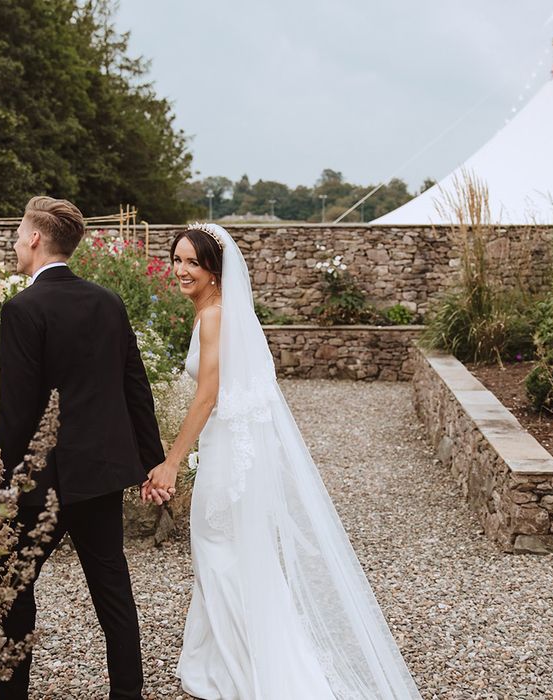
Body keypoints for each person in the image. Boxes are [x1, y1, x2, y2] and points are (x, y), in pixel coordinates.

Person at [141, 223, 422, 699]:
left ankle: (248, 672)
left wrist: (170, 462)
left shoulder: (214, 318)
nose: (182, 270)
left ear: (215, 269)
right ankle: (223, 663)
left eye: (194, 262)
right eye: (178, 259)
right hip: (230, 450)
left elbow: (207, 397)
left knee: (218, 552)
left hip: (229, 456)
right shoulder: (217, 313)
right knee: (231, 556)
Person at [0, 196, 165, 700]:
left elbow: (18, 411)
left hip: (40, 484)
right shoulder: (107, 301)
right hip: (102, 475)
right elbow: (136, 385)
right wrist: (148, 462)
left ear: (34, 238)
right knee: (113, 595)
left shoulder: (23, 309)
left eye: (18, 232)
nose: (15, 241)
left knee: (13, 590)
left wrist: (2, 480)